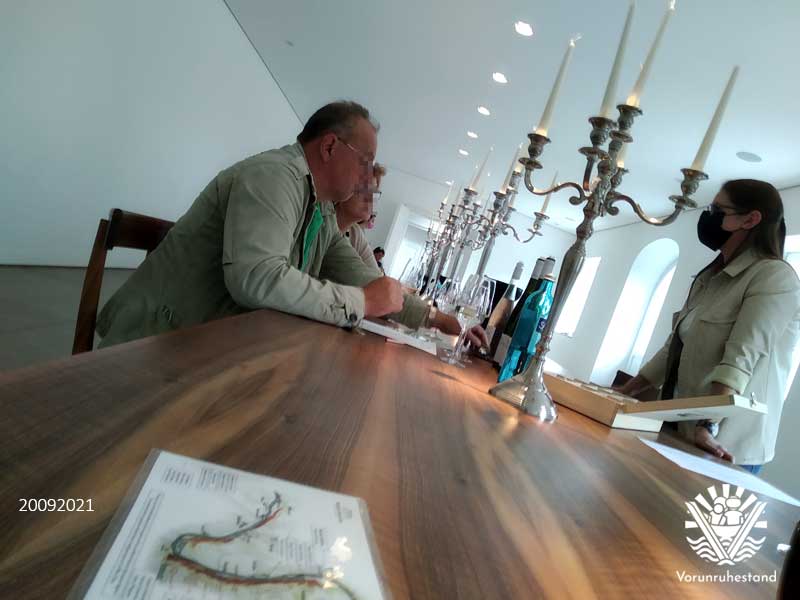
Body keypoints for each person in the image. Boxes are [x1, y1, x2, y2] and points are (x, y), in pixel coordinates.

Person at [97, 100, 485, 348]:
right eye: (365, 161)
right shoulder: (273, 176)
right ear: (329, 147)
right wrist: (363, 302)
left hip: (211, 345)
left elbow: (363, 277)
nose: (368, 177)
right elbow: (258, 278)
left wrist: (437, 320)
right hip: (153, 345)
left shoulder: (320, 211)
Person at [618, 180, 800, 474]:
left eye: (718, 209)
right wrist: (626, 390)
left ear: (750, 219)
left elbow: (741, 358)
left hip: (726, 444)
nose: (709, 216)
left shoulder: (775, 278)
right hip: (683, 426)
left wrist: (708, 422)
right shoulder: (710, 277)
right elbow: (675, 346)